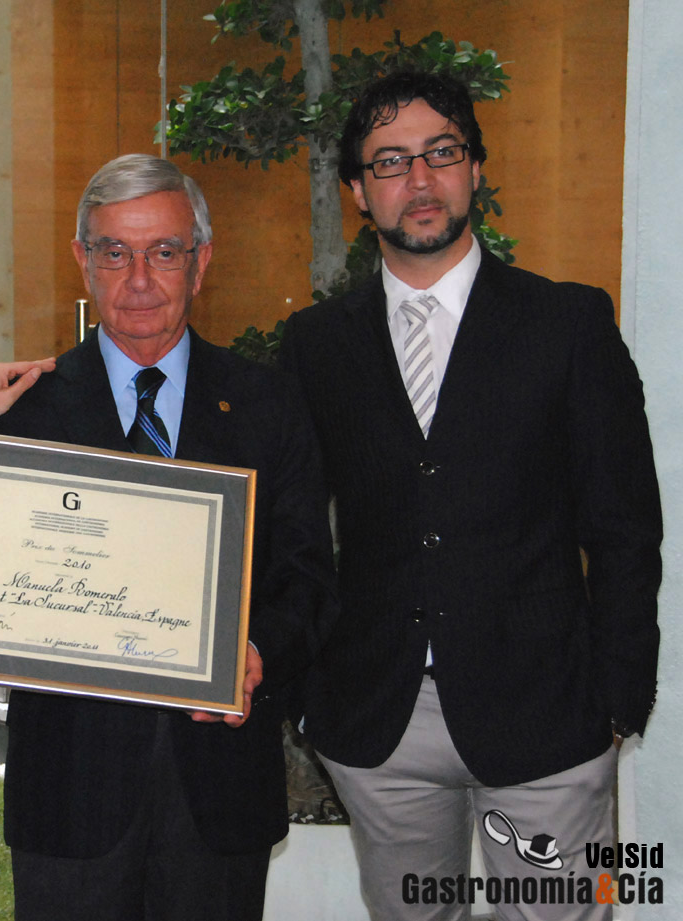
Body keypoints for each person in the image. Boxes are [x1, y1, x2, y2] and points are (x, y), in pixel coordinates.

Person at [279, 72, 662, 921]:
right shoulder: (316, 345)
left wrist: (616, 703)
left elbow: (625, 526)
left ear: (476, 168)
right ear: (357, 191)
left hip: (549, 717)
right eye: (390, 161)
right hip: (379, 723)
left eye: (441, 152)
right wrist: (308, 692)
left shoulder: (568, 325)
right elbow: (292, 529)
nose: (419, 180)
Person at [0, 153, 337, 921]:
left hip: (220, 790)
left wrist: (259, 651)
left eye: (164, 251)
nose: (139, 278)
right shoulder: (26, 411)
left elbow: (308, 576)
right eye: (115, 251)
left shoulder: (269, 404)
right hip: (68, 798)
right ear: (82, 260)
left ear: (201, 262)